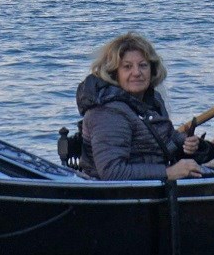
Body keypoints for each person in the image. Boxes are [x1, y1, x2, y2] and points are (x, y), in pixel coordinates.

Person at [76, 32, 203, 181]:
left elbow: (161, 140)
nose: (136, 73)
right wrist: (169, 172)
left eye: (143, 65)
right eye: (127, 67)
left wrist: (184, 142)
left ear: (152, 69)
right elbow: (112, 172)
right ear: (114, 73)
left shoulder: (152, 100)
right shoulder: (108, 113)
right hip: (120, 198)